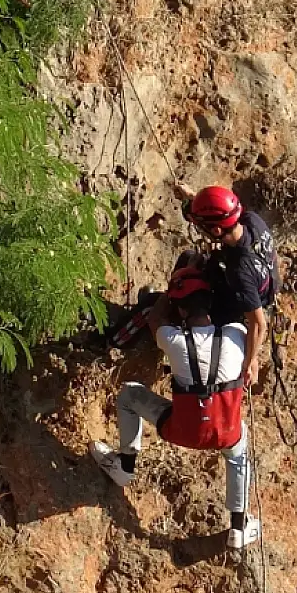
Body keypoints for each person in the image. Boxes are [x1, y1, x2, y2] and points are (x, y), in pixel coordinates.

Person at [91, 282, 261, 550]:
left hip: (180, 429)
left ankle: (124, 466)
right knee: (239, 453)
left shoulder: (174, 339)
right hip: (224, 432)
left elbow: (155, 318)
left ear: (181, 311)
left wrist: (168, 295)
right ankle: (238, 528)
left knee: (128, 395)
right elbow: (252, 324)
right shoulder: (235, 334)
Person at [175, 183, 280, 389]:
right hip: (264, 283)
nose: (200, 230)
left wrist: (250, 362)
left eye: (202, 226)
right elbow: (222, 212)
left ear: (216, 230)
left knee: (191, 280)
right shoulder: (252, 221)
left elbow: (258, 324)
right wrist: (194, 199)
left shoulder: (239, 271)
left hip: (244, 302)